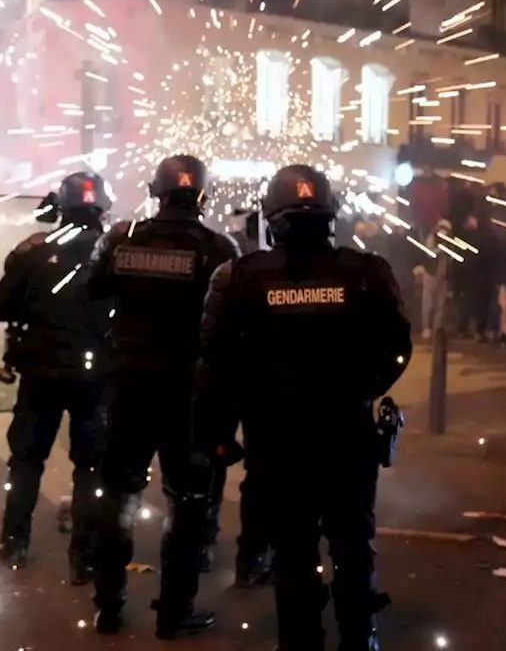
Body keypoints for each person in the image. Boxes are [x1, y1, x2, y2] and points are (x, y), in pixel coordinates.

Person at [192, 164, 412, 650]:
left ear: (272, 218)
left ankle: (301, 641)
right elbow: (397, 348)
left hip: (277, 441)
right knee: (354, 545)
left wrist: (217, 434)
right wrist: (362, 388)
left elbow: (215, 366)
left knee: (294, 552)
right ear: (331, 216)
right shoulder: (366, 273)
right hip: (347, 435)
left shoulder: (238, 278)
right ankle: (360, 637)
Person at [88, 155, 240, 639]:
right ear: (202, 195)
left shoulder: (121, 238)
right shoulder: (218, 248)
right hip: (187, 398)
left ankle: (109, 608)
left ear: (155, 191)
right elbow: (230, 328)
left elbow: (94, 292)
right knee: (188, 503)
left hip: (128, 389)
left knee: (118, 499)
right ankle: (174, 614)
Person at [0, 172, 112, 583]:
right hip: (95, 375)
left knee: (26, 460)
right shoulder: (115, 250)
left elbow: (1, 305)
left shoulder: (33, 251)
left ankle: (14, 544)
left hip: (40, 371)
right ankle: (85, 558)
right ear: (102, 208)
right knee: (91, 468)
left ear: (61, 207)